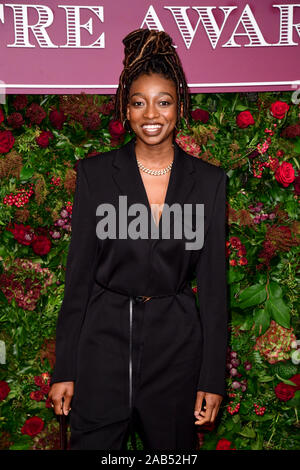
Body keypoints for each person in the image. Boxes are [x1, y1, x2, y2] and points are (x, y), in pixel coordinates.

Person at [48, 28, 228, 451]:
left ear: (179, 106)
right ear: (125, 110)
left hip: (176, 351)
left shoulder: (208, 182)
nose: (152, 113)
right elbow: (77, 282)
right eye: (138, 102)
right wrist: (65, 369)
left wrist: (211, 378)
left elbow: (215, 290)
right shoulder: (95, 175)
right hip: (103, 347)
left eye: (163, 102)